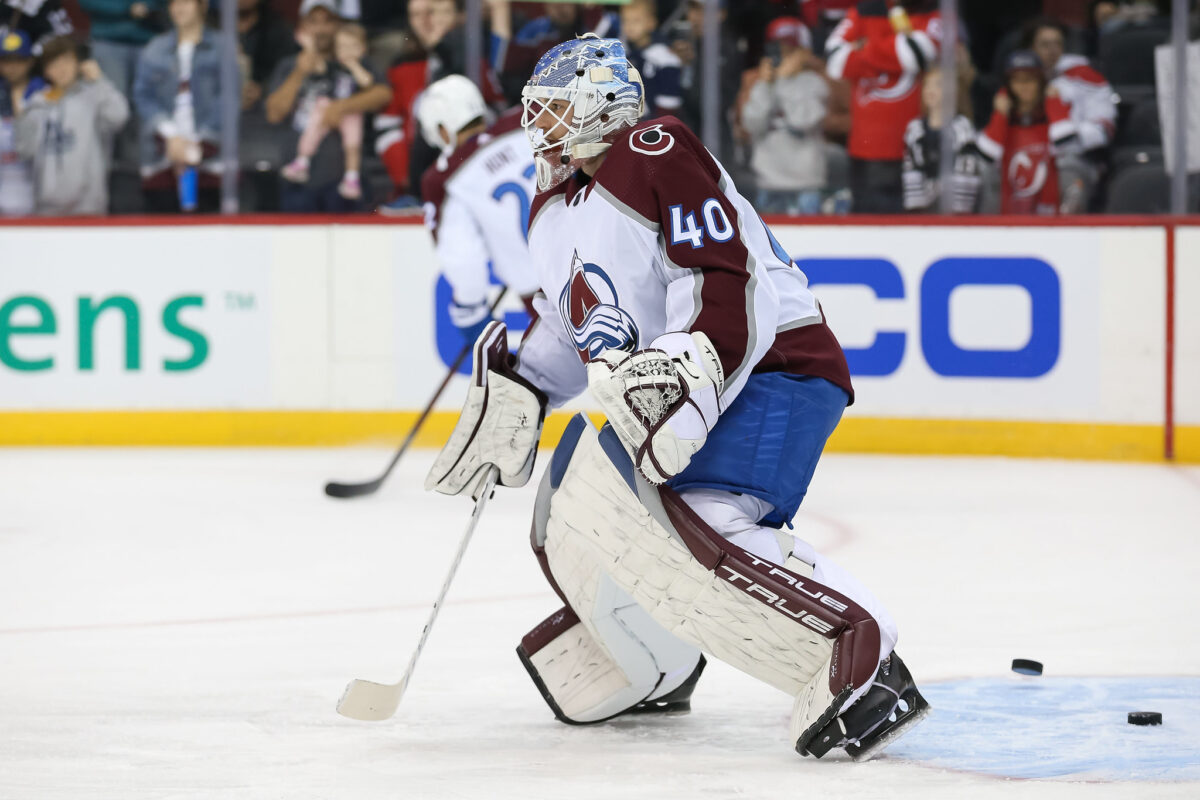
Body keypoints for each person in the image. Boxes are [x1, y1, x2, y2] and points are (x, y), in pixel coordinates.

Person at [425, 34, 928, 760]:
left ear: (606, 104)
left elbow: (726, 277)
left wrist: (695, 374)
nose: (543, 125)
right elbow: (570, 332)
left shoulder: (653, 149)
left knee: (703, 517)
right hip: (693, 384)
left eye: (559, 108)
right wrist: (521, 390)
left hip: (771, 366)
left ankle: (861, 650)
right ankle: (646, 661)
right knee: (575, 499)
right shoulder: (553, 208)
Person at [417, 75, 540, 345]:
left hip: (546, 296)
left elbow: (463, 258)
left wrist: (469, 309)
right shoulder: (526, 121)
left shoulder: (444, 178)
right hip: (602, 259)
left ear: (443, 130)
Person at [265, 0, 390, 211]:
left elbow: (383, 93)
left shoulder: (353, 60)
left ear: (338, 25)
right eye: (313, 21)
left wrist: (342, 107)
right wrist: (300, 72)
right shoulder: (289, 65)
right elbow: (273, 113)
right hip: (299, 185)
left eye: (328, 21)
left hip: (347, 182)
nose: (321, 29)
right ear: (303, 26)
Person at [824, 0, 942, 213]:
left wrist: (863, 47)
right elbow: (834, 60)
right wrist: (894, 52)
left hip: (912, 150)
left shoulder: (930, 14)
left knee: (910, 230)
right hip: (863, 150)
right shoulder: (862, 11)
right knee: (864, 232)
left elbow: (917, 53)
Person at [16, 35, 129, 215]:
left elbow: (119, 117)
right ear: (45, 70)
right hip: (46, 209)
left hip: (89, 206)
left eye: (66, 61)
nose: (61, 69)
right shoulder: (37, 104)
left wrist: (99, 81)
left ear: (78, 63)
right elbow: (24, 150)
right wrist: (22, 114)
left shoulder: (94, 96)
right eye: (54, 63)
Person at [133, 0, 226, 213]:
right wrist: (170, 134)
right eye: (174, 3)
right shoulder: (155, 49)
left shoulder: (222, 48)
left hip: (211, 157)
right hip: (162, 156)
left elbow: (228, 97)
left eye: (186, 2)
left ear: (202, 6)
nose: (178, 8)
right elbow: (143, 95)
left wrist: (201, 141)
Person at [741, 16, 828, 215]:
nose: (782, 56)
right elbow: (752, 124)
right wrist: (766, 85)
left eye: (790, 50)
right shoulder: (761, 84)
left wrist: (784, 83)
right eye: (777, 49)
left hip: (805, 184)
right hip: (768, 182)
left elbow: (803, 121)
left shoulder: (814, 83)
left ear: (804, 52)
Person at [976, 50, 1077, 216]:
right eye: (1017, 80)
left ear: (1041, 82)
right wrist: (1000, 116)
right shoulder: (1003, 124)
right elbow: (987, 157)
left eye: (1030, 80)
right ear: (1008, 86)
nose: (1024, 86)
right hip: (1008, 218)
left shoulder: (1054, 119)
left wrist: (1054, 104)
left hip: (1050, 217)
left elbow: (1069, 150)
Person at [280, 21, 373, 200]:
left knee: (352, 144)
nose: (346, 51)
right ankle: (302, 161)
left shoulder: (364, 66)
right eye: (342, 47)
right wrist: (309, 46)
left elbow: (367, 82)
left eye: (352, 46)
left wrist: (353, 64)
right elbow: (317, 67)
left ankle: (351, 178)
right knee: (313, 126)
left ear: (362, 49)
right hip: (327, 108)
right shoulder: (333, 66)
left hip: (352, 113)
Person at [901, 63, 982, 213]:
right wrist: (916, 213)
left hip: (955, 213)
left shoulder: (962, 128)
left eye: (938, 84)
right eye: (927, 85)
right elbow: (911, 170)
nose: (930, 90)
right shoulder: (915, 129)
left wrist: (958, 212)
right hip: (923, 213)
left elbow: (967, 170)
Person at [0, 30, 45, 216]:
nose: (12, 67)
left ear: (30, 61)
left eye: (19, 60)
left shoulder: (44, 92)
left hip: (38, 192)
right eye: (6, 61)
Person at [618, 0, 682, 120]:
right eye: (625, 20)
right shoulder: (620, 52)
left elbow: (669, 103)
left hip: (656, 125)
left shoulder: (666, 57)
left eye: (636, 20)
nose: (629, 26)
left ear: (651, 23)